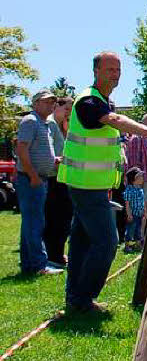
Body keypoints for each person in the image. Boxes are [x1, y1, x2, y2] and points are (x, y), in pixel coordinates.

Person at [59, 52, 147, 313]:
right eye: (109, 69)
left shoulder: (104, 101)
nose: (115, 74)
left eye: (118, 69)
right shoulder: (88, 101)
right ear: (96, 71)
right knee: (107, 242)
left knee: (82, 241)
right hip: (86, 185)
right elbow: (114, 121)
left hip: (91, 184)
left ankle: (76, 297)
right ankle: (83, 298)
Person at [15, 90, 60, 276]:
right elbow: (22, 150)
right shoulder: (30, 121)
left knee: (31, 222)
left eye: (52, 102)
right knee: (35, 222)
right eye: (46, 102)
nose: (51, 105)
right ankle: (38, 265)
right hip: (31, 179)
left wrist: (53, 161)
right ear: (35, 104)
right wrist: (33, 175)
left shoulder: (46, 124)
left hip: (40, 177)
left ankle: (29, 264)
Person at [43, 95, 74, 269]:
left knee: (64, 218)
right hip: (53, 178)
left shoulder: (63, 126)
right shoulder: (51, 125)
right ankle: (53, 255)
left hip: (63, 177)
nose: (69, 113)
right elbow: (52, 152)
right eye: (67, 109)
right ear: (57, 107)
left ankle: (58, 253)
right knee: (56, 218)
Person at [123, 167, 145, 252]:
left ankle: (138, 244)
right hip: (132, 215)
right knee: (130, 230)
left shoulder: (140, 189)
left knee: (138, 229)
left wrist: (143, 210)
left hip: (139, 214)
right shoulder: (129, 190)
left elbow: (142, 202)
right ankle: (127, 245)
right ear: (134, 179)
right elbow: (127, 204)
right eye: (140, 177)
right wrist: (129, 214)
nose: (142, 178)